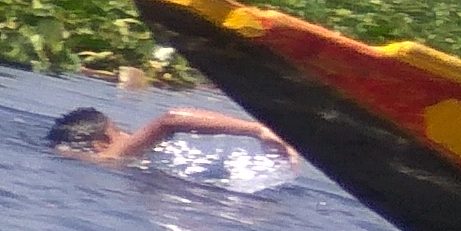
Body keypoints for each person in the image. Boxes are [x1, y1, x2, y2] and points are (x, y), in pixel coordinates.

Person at [49, 100, 289, 169]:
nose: (128, 134)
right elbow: (171, 118)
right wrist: (260, 130)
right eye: (118, 131)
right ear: (101, 143)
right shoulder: (115, 155)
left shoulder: (84, 158)